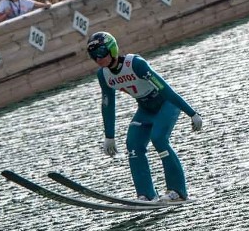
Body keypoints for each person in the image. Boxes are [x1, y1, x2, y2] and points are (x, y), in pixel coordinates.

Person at [86, 31, 202, 202]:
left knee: (159, 139)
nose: (98, 59)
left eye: (101, 53)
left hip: (166, 104)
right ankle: (146, 194)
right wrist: (109, 136)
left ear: (112, 50)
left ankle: (177, 191)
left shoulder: (136, 64)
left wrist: (191, 113)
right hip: (145, 108)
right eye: (93, 56)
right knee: (133, 145)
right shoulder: (103, 75)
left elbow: (164, 88)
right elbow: (108, 104)